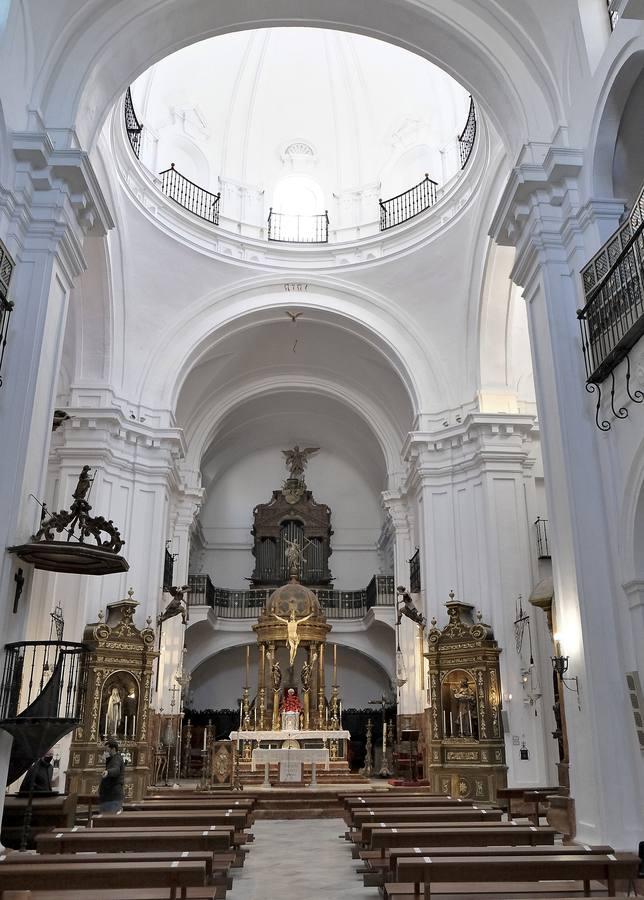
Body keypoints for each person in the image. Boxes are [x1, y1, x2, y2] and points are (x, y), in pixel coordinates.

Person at [98, 740, 125, 813]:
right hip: (109, 796)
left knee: (108, 820)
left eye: (107, 750)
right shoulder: (112, 759)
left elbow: (116, 770)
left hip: (112, 797)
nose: (105, 752)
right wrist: (107, 759)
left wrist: (108, 772)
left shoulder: (117, 758)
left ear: (113, 749)